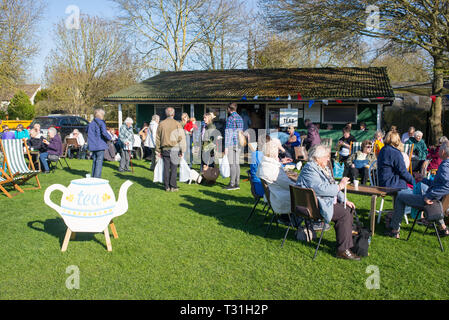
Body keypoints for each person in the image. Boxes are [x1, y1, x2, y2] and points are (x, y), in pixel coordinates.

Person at [296, 144, 360, 260]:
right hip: (312, 207)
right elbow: (320, 189)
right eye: (326, 156)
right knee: (344, 213)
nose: (328, 159)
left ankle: (346, 242)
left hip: (319, 203)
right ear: (317, 158)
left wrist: (345, 199)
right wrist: (340, 186)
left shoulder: (323, 168)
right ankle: (343, 250)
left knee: (348, 207)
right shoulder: (310, 168)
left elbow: (333, 186)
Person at [385, 140, 449, 238]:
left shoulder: (445, 166)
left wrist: (429, 196)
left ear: (443, 152)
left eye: (440, 149)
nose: (438, 150)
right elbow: (438, 184)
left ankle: (394, 230)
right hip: (437, 201)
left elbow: (446, 186)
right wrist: (423, 179)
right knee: (418, 188)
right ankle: (443, 228)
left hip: (432, 201)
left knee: (400, 197)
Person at [257, 136, 296, 215]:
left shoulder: (264, 164)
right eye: (277, 150)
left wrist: (280, 162)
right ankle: (306, 221)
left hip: (274, 195)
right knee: (306, 197)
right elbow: (288, 185)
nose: (278, 152)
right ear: (274, 152)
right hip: (280, 198)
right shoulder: (274, 168)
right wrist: (299, 185)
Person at [155, 107, 186, 192]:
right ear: (173, 114)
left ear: (166, 114)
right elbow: (181, 138)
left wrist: (158, 150)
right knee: (174, 168)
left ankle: (166, 186)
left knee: (166, 167)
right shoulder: (177, 124)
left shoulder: (161, 124)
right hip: (175, 149)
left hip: (165, 148)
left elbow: (158, 138)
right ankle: (173, 186)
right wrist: (182, 150)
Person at [224, 102, 244, 190]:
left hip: (232, 143)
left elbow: (228, 134)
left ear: (229, 109)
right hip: (239, 143)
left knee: (232, 164)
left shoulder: (230, 119)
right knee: (237, 164)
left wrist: (226, 147)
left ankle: (232, 184)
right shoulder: (240, 118)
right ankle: (237, 183)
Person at [87, 108, 112, 178]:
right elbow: (104, 133)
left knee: (94, 161)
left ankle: (93, 176)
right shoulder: (101, 122)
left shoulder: (91, 123)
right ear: (101, 115)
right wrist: (110, 137)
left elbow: (87, 132)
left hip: (92, 145)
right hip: (100, 144)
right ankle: (97, 178)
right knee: (99, 162)